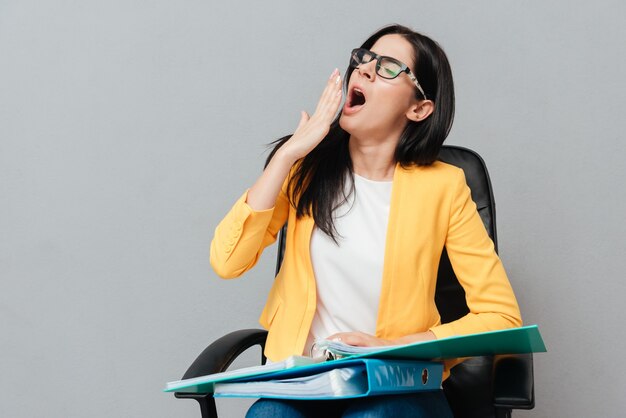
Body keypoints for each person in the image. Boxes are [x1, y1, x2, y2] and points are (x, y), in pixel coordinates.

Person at [210, 24, 522, 418]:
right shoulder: (305, 170)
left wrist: (396, 345)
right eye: (364, 59)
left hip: (395, 385)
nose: (366, 70)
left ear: (419, 108)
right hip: (307, 385)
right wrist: (288, 155)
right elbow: (228, 259)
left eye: (389, 67)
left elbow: (502, 318)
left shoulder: (445, 186)